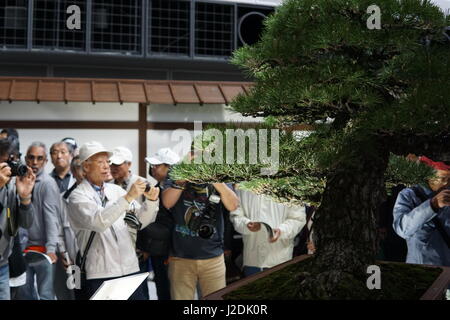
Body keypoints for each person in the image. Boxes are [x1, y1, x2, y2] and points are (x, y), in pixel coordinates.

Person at [67, 141, 160, 300]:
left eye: (107, 162)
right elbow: (99, 221)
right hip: (101, 273)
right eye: (100, 162)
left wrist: (151, 202)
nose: (106, 166)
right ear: (86, 166)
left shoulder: (116, 191)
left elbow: (137, 222)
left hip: (130, 268)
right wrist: (128, 197)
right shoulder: (77, 196)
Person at [161, 159, 239, 300]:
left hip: (213, 256)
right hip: (180, 257)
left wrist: (215, 179)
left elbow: (233, 205)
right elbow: (167, 202)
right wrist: (181, 179)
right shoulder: (176, 171)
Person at [15, 142, 60, 300]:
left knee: (46, 294)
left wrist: (51, 248)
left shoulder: (48, 183)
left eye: (39, 158)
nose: (34, 162)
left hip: (42, 250)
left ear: (45, 161)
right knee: (24, 294)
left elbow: (52, 217)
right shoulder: (17, 181)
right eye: (31, 158)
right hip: (22, 249)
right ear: (25, 159)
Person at [230, 187, 306, 277]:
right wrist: (247, 224)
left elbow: (298, 219)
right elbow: (236, 216)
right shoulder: (243, 186)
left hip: (280, 260)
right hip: (252, 260)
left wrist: (282, 231)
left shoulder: (291, 185)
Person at [136, 148, 180, 300]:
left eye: (157, 165)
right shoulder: (156, 187)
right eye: (152, 165)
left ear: (170, 167)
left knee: (171, 292)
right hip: (158, 249)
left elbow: (173, 223)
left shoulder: (177, 190)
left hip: (173, 251)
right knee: (162, 289)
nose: (153, 168)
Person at [393, 156, 450, 266]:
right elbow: (402, 229)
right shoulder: (409, 195)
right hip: (424, 268)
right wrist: (432, 205)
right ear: (429, 176)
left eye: (449, 179)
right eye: (443, 178)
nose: (446, 184)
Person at [0, 138, 35, 300]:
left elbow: (26, 223)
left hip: (4, 264)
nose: (10, 167)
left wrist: (25, 197)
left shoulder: (11, 185)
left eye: (12, 160)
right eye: (6, 161)